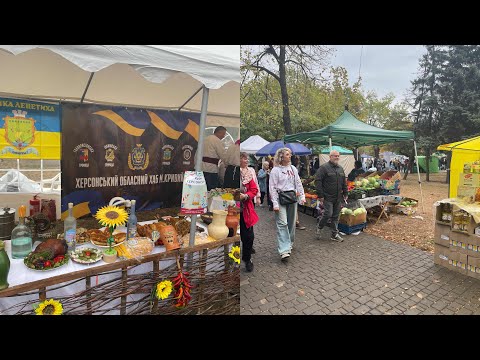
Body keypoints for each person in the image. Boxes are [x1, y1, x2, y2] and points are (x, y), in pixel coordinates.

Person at [269, 148, 306, 263]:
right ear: (281, 157)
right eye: (287, 154)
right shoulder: (275, 171)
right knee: (282, 223)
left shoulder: (293, 168)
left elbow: (298, 183)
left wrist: (302, 196)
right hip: (280, 199)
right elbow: (272, 187)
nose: (289, 156)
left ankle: (289, 242)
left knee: (291, 223)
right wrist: (275, 203)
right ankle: (284, 250)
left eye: (290, 154)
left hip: (292, 198)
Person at [315, 150, 348, 242]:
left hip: (338, 197)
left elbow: (344, 183)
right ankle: (320, 227)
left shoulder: (340, 169)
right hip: (327, 196)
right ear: (330, 157)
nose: (337, 157)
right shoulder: (324, 168)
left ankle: (334, 234)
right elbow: (318, 181)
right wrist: (320, 195)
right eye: (335, 156)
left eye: (338, 156)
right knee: (328, 214)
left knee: (335, 216)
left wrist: (346, 193)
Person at [240, 152, 259, 272]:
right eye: (244, 158)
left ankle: (247, 259)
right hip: (232, 209)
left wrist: (246, 196)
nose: (246, 160)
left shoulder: (249, 173)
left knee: (248, 236)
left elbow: (254, 189)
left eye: (247, 158)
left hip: (245, 209)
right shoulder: (231, 171)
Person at [202, 126, 227, 190]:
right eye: (223, 134)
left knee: (202, 188)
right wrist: (227, 164)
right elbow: (223, 155)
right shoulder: (217, 141)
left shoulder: (204, 139)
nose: (224, 136)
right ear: (219, 132)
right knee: (211, 189)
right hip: (211, 169)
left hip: (201, 168)